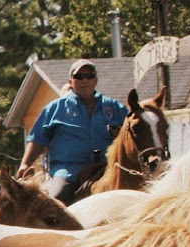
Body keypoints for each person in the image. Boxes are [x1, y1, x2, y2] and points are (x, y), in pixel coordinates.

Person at [17, 59, 126, 204]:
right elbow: (38, 139)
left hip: (109, 169)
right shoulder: (56, 108)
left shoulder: (115, 108)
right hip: (69, 171)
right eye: (79, 77)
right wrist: (25, 164)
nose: (84, 80)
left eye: (89, 76)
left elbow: (133, 133)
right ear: (71, 81)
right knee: (55, 203)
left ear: (96, 80)